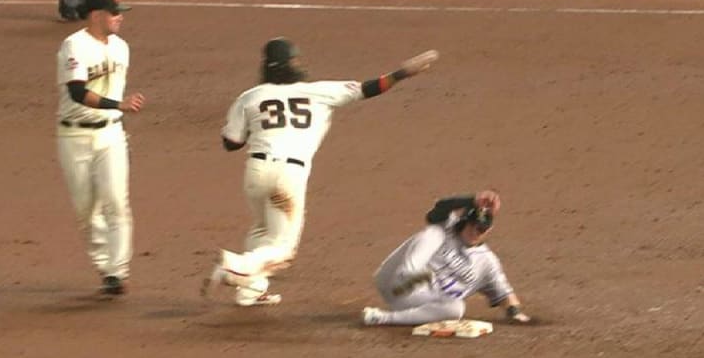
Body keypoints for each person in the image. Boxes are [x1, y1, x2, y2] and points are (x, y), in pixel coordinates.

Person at [201, 39, 439, 307]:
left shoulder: (250, 96)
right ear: (290, 65)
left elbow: (231, 143)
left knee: (262, 229)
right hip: (287, 175)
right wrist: (402, 73)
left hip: (255, 172)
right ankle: (235, 265)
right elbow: (369, 88)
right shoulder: (321, 91)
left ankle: (252, 290)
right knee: (283, 250)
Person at [56, 0, 147, 296]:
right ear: (97, 15)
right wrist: (118, 104)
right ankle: (104, 265)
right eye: (115, 12)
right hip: (75, 135)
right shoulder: (74, 45)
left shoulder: (122, 47)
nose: (120, 17)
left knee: (117, 202)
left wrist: (116, 114)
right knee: (87, 209)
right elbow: (77, 92)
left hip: (110, 134)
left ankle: (117, 272)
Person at [361, 190, 531, 327]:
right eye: (471, 224)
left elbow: (505, 294)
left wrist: (515, 313)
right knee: (433, 232)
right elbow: (440, 207)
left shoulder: (487, 262)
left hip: (416, 301)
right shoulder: (447, 225)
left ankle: (382, 318)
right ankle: (409, 273)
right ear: (464, 220)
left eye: (480, 228)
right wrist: (472, 200)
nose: (474, 231)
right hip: (393, 280)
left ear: (487, 230)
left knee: (456, 308)